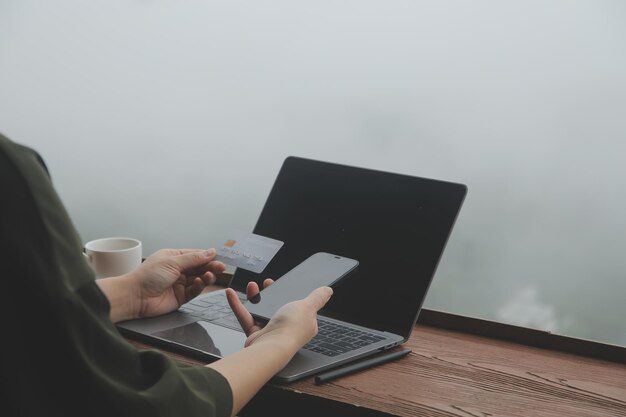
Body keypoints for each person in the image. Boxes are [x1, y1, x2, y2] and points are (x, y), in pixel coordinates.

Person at [0, 133, 333, 417]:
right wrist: (279, 341)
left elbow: (20, 317)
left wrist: (130, 294)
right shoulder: (10, 176)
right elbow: (151, 405)